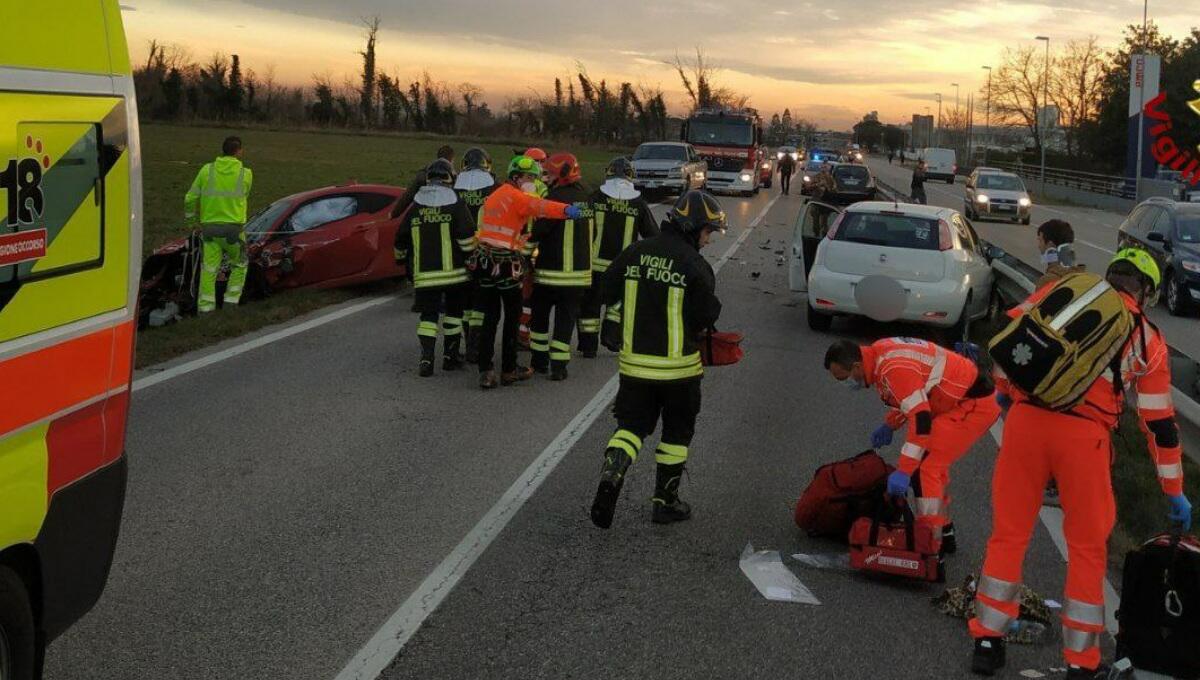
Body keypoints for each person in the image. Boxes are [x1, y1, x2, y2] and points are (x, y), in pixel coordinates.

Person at [968, 248, 1193, 678]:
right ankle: (1081, 662)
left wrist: (1004, 394)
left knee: (1009, 534)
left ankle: (987, 641)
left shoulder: (1063, 291)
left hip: (1026, 424)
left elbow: (1010, 342)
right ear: (1145, 292)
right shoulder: (1145, 335)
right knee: (1087, 549)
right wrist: (1174, 490)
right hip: (1084, 440)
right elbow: (1159, 424)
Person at [589, 190, 724, 529]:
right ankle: (665, 502)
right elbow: (705, 316)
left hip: (635, 367)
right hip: (680, 371)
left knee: (630, 428)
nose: (708, 240)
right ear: (693, 227)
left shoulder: (635, 252)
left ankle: (613, 472)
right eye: (708, 231)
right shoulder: (696, 265)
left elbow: (607, 290)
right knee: (677, 434)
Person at [824, 338, 1000, 569]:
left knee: (926, 469)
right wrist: (890, 424)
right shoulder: (879, 355)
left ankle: (932, 547)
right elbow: (912, 394)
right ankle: (944, 532)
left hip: (972, 404)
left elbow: (921, 418)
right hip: (956, 399)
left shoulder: (891, 369)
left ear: (857, 366)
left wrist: (905, 471)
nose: (846, 383)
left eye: (843, 378)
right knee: (930, 466)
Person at [474, 155, 582, 389]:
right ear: (516, 177)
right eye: (529, 177)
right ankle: (509, 369)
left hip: (485, 261)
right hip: (505, 264)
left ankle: (485, 370)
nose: (532, 182)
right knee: (512, 317)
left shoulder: (495, 195)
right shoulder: (516, 197)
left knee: (490, 317)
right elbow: (541, 207)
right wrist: (567, 209)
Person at [394, 159, 476, 376]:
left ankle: (426, 360)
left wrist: (401, 260)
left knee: (428, 317)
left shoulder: (416, 207)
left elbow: (400, 240)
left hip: (425, 276)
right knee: (454, 315)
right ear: (451, 178)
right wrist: (471, 258)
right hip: (455, 276)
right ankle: (450, 357)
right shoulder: (456, 204)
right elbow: (467, 240)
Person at [578, 157, 659, 357]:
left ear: (608, 173)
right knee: (617, 303)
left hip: (593, 265)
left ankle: (588, 347)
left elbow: (580, 225)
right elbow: (653, 235)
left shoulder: (596, 197)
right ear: (631, 176)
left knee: (589, 306)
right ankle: (611, 336)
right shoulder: (638, 203)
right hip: (622, 267)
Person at [526, 153, 593, 381]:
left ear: (560, 175)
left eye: (550, 174)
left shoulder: (552, 199)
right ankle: (559, 367)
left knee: (540, 318)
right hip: (577, 277)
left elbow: (538, 233)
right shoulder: (587, 198)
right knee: (566, 322)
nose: (547, 178)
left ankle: (539, 361)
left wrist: (523, 255)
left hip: (549, 274)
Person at [184, 135, 253, 313]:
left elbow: (189, 198)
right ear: (239, 151)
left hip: (209, 229)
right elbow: (244, 195)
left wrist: (192, 222)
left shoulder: (206, 170)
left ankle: (206, 308)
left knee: (209, 269)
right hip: (234, 230)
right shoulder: (246, 173)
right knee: (240, 264)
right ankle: (231, 301)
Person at [454, 147, 498, 364]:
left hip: (459, 252)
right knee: (482, 301)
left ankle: (467, 340)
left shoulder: (454, 188)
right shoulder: (494, 187)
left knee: (465, 300)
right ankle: (476, 345)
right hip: (486, 252)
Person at [392, 144, 456, 221]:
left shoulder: (423, 174)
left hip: (424, 215)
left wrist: (394, 214)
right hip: (445, 215)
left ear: (438, 157)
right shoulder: (454, 177)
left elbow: (408, 196)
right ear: (452, 159)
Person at [1035, 218, 1085, 287]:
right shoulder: (1083, 277)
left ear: (1050, 246)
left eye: (1040, 241)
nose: (1039, 246)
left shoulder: (1047, 281)